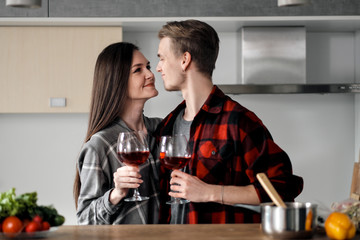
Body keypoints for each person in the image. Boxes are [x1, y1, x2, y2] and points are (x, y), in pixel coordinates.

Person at [155, 19, 304, 224]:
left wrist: (211, 192)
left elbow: (283, 187)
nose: (158, 67)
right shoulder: (168, 125)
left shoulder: (238, 121)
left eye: (162, 58)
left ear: (185, 60)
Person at [73, 42, 161, 224]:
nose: (150, 74)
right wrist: (116, 193)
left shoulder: (161, 129)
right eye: (138, 70)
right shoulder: (100, 145)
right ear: (117, 81)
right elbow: (84, 221)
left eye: (148, 67)